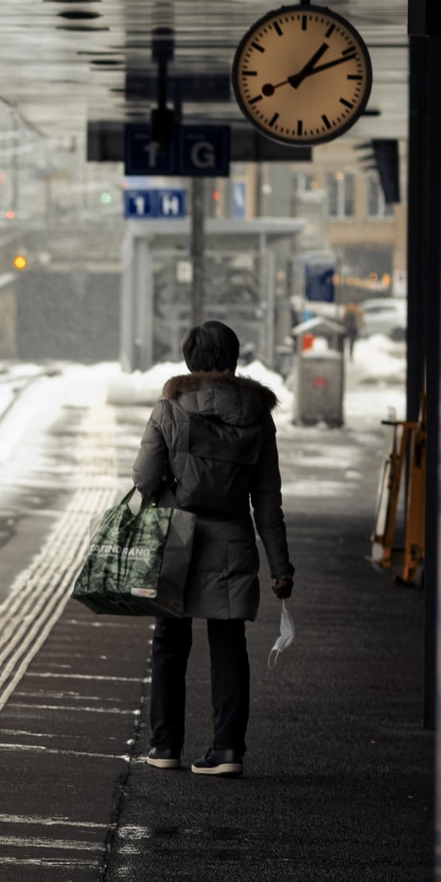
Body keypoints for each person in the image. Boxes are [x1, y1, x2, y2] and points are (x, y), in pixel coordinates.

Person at [133, 321, 294, 777]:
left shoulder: (169, 407)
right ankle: (227, 750)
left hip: (177, 539)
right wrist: (281, 567)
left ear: (189, 360)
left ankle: (165, 745)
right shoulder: (257, 415)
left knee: (170, 641)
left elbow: (144, 479)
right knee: (227, 643)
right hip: (232, 542)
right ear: (234, 360)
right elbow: (267, 499)